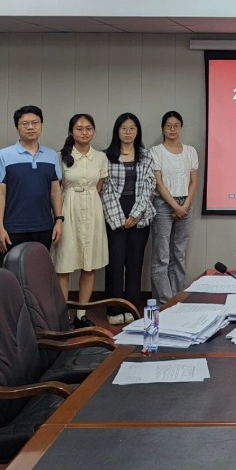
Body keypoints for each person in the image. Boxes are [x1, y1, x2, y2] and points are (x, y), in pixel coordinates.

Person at [53, 114, 109, 327]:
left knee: (90, 264)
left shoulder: (100, 158)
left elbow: (99, 186)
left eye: (88, 128)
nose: (84, 132)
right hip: (69, 207)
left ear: (93, 131)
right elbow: (56, 188)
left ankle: (81, 315)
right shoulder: (61, 156)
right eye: (79, 128)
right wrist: (59, 216)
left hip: (93, 210)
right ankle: (62, 315)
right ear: (71, 132)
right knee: (64, 265)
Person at [102, 113, 154, 325]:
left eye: (132, 128)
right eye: (124, 128)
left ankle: (132, 307)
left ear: (137, 131)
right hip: (114, 213)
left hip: (140, 216)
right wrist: (120, 217)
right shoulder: (107, 156)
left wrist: (135, 214)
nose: (128, 132)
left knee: (135, 263)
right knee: (114, 263)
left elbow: (149, 186)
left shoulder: (145, 155)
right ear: (117, 131)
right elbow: (105, 188)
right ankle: (114, 309)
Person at [0, 105, 63, 264]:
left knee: (38, 274)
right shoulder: (4, 155)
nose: (30, 127)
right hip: (13, 227)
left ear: (41, 125)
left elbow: (55, 192)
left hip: (44, 227)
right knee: (12, 274)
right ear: (17, 127)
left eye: (35, 123)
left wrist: (59, 220)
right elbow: (0, 193)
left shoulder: (52, 155)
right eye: (25, 124)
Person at [150, 111, 199, 301]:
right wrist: (175, 206)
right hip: (163, 205)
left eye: (176, 125)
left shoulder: (190, 151)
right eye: (168, 125)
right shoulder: (156, 151)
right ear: (163, 128)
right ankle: (164, 301)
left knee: (179, 253)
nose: (172, 129)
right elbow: (159, 183)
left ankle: (177, 297)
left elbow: (194, 182)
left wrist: (185, 205)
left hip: (185, 203)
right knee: (162, 255)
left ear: (181, 127)